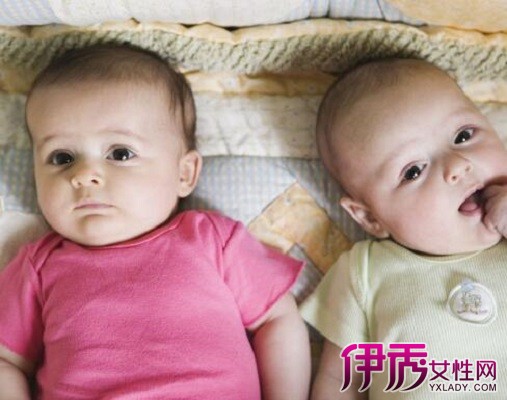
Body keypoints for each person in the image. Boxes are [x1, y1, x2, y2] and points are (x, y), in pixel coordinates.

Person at [0, 44, 310, 399]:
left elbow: (277, 319)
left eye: (120, 153)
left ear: (184, 173)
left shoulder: (212, 241)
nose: (84, 175)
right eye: (61, 157)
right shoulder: (39, 267)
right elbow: (6, 361)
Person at [300, 58, 507, 399]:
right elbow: (341, 377)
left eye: (463, 135)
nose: (457, 165)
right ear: (370, 218)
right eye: (413, 171)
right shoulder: (366, 272)